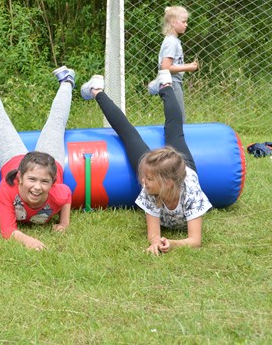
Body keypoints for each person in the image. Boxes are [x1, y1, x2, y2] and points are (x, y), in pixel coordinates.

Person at [81, 69, 212, 255]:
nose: (143, 181)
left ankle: (165, 85)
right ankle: (97, 90)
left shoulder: (191, 193)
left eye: (148, 178)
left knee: (172, 130)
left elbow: (195, 240)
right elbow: (153, 234)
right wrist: (155, 242)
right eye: (145, 176)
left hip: (181, 170)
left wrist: (171, 243)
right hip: (166, 170)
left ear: (167, 183)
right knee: (131, 134)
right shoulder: (150, 189)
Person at [0, 64, 74, 251]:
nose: (37, 187)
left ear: (52, 183)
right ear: (20, 178)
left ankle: (67, 80)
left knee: (56, 123)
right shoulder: (8, 187)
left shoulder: (57, 193)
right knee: (0, 120)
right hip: (13, 158)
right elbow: (7, 230)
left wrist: (64, 223)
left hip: (49, 161)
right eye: (32, 180)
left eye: (44, 182)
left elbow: (67, 194)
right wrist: (27, 240)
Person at [149, 6, 198, 122]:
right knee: (179, 118)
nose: (186, 25)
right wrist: (188, 67)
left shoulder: (173, 40)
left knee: (175, 116)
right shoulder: (171, 42)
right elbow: (165, 67)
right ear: (173, 22)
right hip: (172, 83)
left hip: (174, 82)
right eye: (183, 22)